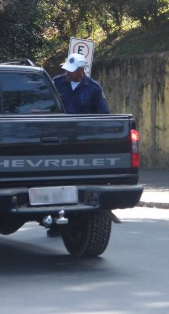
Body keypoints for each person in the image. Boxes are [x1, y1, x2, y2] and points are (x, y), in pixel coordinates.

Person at [47, 53, 110, 237]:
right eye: (66, 69)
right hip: (57, 141)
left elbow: (103, 115)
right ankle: (53, 221)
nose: (67, 73)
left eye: (72, 71)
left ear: (82, 71)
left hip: (81, 143)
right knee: (54, 181)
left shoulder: (93, 88)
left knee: (76, 183)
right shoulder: (56, 83)